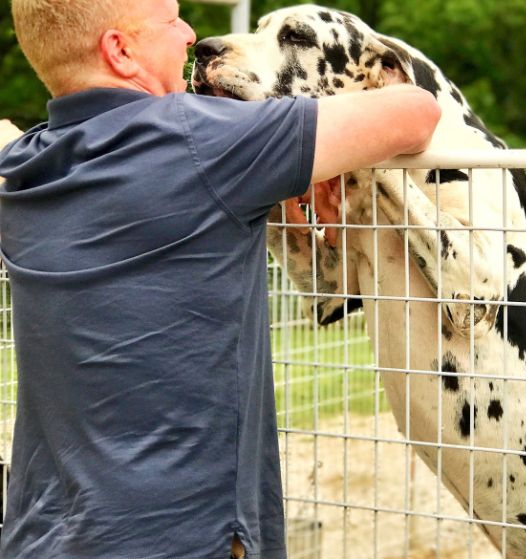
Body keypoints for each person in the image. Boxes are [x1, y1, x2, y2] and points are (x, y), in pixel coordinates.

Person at [0, 1, 441, 558]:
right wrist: (317, 160)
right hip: (186, 539)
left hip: (38, 538)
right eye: (170, 19)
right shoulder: (204, 140)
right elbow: (415, 111)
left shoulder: (22, 169)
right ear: (121, 50)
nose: (189, 34)